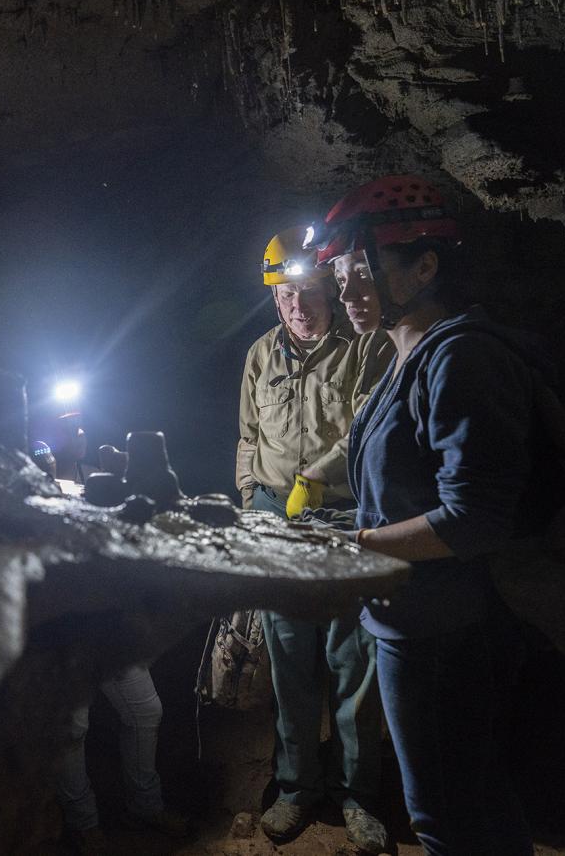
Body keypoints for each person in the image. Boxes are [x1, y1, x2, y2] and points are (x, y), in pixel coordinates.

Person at [313, 173, 535, 855]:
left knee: (442, 814)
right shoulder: (401, 355)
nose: (346, 292)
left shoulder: (457, 357)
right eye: (342, 276)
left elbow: (476, 515)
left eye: (361, 273)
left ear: (425, 265)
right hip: (412, 620)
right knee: (471, 798)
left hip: (437, 630)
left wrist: (363, 544)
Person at [236, 226, 393, 851]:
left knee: (353, 668)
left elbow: (364, 434)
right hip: (279, 521)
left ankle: (358, 797)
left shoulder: (366, 347)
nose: (299, 307)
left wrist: (316, 482)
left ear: (329, 288)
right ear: (275, 299)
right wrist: (253, 507)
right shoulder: (259, 355)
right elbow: (248, 438)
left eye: (310, 292)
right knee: (289, 666)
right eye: (286, 296)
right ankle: (297, 789)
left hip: (344, 519)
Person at [52, 417, 188, 854]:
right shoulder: (25, 479)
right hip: (60, 631)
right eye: (65, 427)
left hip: (106, 622)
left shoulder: (99, 476)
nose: (79, 434)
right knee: (71, 728)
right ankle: (83, 823)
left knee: (144, 711)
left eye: (79, 426)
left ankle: (144, 807)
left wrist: (140, 484)